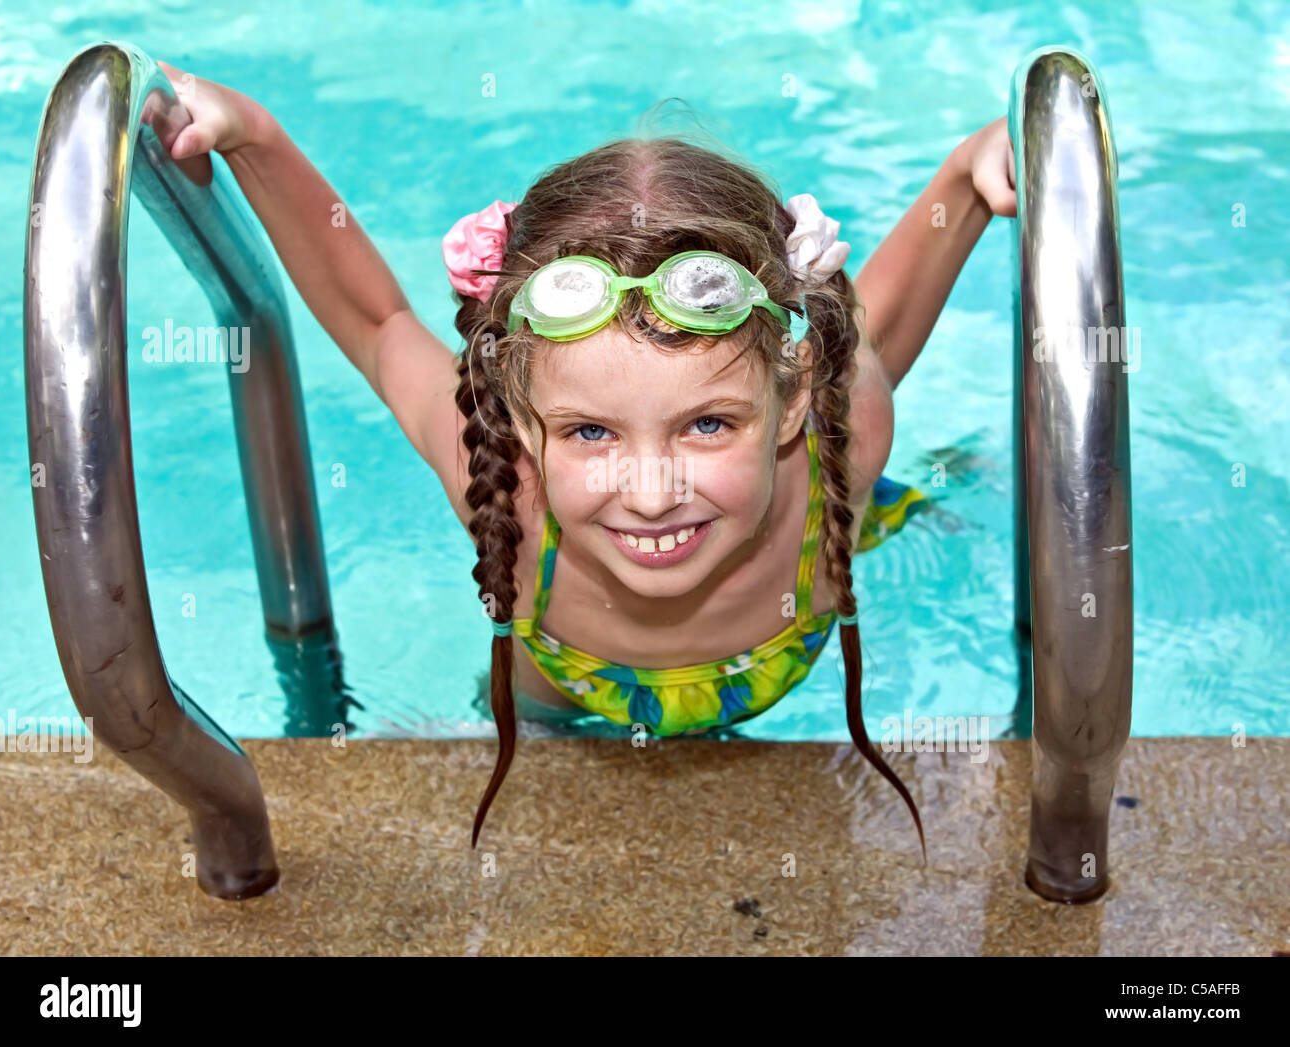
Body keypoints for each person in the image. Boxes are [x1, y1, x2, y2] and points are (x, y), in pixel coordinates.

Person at [151, 58, 1016, 858]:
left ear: (792, 402)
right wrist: (255, 137)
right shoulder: (505, 485)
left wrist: (967, 180)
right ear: (523, 423)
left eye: (707, 424)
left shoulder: (839, 439)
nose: (650, 494)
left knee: (956, 490)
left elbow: (881, 329)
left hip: (795, 530)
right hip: (564, 693)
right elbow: (379, 327)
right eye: (591, 432)